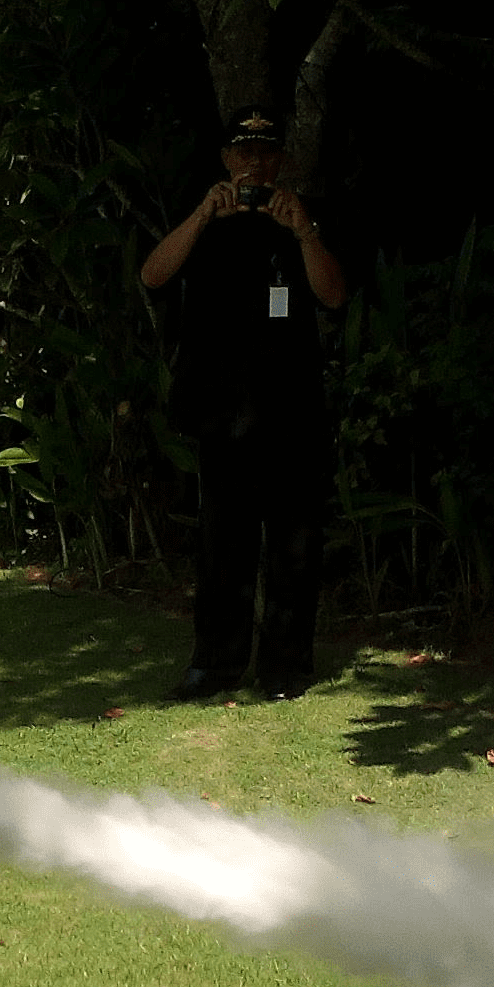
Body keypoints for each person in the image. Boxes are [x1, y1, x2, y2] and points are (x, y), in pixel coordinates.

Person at [142, 105, 348, 701]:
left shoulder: (303, 217)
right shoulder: (206, 219)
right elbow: (153, 276)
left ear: (280, 159)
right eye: (243, 152)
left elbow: (334, 295)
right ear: (226, 158)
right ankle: (214, 664)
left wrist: (303, 230)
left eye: (264, 152)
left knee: (293, 545)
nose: (253, 164)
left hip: (292, 408)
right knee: (222, 546)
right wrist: (202, 214)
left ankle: (285, 668)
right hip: (222, 411)